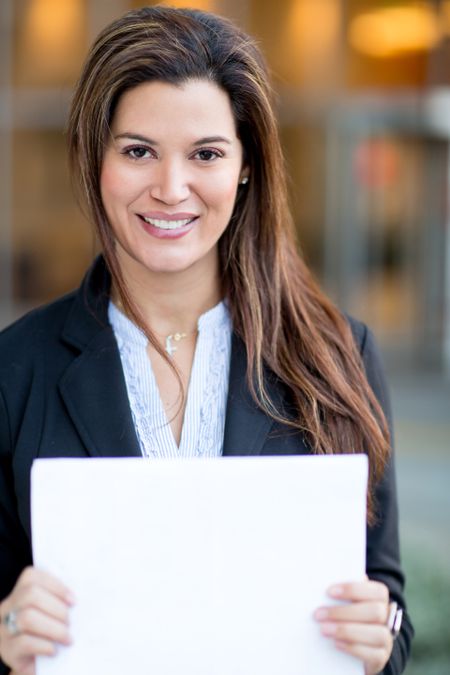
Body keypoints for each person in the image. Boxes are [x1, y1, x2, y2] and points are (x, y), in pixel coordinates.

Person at [0, 6, 413, 675]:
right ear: (94, 160)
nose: (170, 188)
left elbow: (388, 612)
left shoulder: (339, 358)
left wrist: (380, 636)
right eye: (137, 151)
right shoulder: (14, 370)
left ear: (245, 166)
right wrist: (7, 633)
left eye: (206, 154)